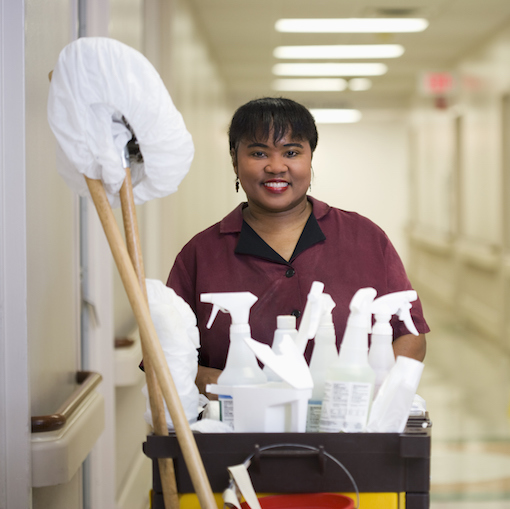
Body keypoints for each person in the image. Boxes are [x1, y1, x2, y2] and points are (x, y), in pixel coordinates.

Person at [167, 97, 429, 396]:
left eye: (291, 152)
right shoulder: (201, 254)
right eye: (258, 152)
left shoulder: (365, 238)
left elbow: (411, 336)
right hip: (233, 431)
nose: (276, 166)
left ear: (310, 157)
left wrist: (363, 395)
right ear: (234, 160)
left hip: (349, 429)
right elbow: (165, 355)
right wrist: (218, 384)